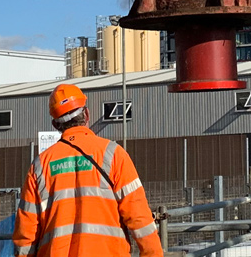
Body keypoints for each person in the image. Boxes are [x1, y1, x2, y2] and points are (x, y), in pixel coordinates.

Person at [12, 84, 163, 257]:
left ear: (55, 125)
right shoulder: (113, 155)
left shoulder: (40, 165)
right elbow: (140, 219)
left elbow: (26, 234)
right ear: (87, 114)